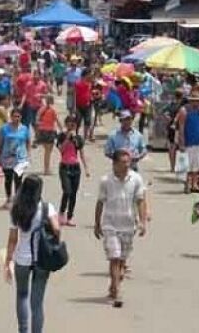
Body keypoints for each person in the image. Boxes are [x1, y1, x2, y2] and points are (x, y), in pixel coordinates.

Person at [3, 174, 59, 333]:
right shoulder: (47, 208)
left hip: (22, 259)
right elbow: (57, 228)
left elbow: (13, 238)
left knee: (22, 295)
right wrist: (53, 242)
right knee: (37, 303)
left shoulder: (16, 209)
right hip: (42, 259)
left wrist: (8, 261)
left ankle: (23, 329)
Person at [94, 149, 146, 307]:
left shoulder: (136, 179)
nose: (126, 165)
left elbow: (140, 200)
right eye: (123, 162)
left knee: (122, 262)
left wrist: (143, 221)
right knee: (114, 257)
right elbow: (100, 202)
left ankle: (114, 284)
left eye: (128, 162)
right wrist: (97, 224)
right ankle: (118, 292)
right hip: (110, 224)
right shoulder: (106, 181)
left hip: (128, 225)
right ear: (114, 163)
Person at [57, 116, 90, 227]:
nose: (71, 126)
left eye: (73, 124)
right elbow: (61, 150)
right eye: (69, 124)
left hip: (75, 167)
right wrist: (67, 138)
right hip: (64, 167)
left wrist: (86, 168)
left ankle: (70, 217)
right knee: (67, 191)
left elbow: (82, 153)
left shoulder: (79, 138)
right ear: (66, 124)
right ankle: (61, 213)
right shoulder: (61, 136)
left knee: (73, 194)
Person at [0, 108, 31, 202]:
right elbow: (0, 144)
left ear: (21, 117)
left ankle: (17, 199)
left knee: (18, 179)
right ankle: (8, 198)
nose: (16, 118)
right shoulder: (4, 128)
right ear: (11, 117)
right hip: (7, 158)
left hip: (20, 159)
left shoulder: (24, 129)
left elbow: (28, 142)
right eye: (14, 116)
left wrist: (28, 155)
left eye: (18, 116)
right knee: (8, 178)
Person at [177, 91, 199, 193]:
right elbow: (181, 127)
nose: (198, 103)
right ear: (191, 101)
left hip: (198, 141)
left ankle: (194, 184)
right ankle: (187, 184)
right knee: (187, 165)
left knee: (196, 164)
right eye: (196, 101)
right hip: (188, 141)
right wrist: (181, 142)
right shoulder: (184, 110)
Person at [35, 95, 61, 176]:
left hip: (42, 131)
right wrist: (62, 129)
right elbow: (57, 120)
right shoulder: (53, 110)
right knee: (48, 152)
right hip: (50, 131)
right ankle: (46, 169)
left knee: (46, 151)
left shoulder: (41, 109)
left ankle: (46, 168)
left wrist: (38, 131)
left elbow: (37, 120)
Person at [74, 70, 94, 141]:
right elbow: (74, 94)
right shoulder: (77, 83)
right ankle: (76, 134)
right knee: (78, 120)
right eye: (90, 74)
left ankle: (85, 137)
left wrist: (91, 97)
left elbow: (89, 92)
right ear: (86, 75)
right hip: (78, 105)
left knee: (87, 121)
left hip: (88, 105)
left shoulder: (90, 83)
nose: (91, 76)